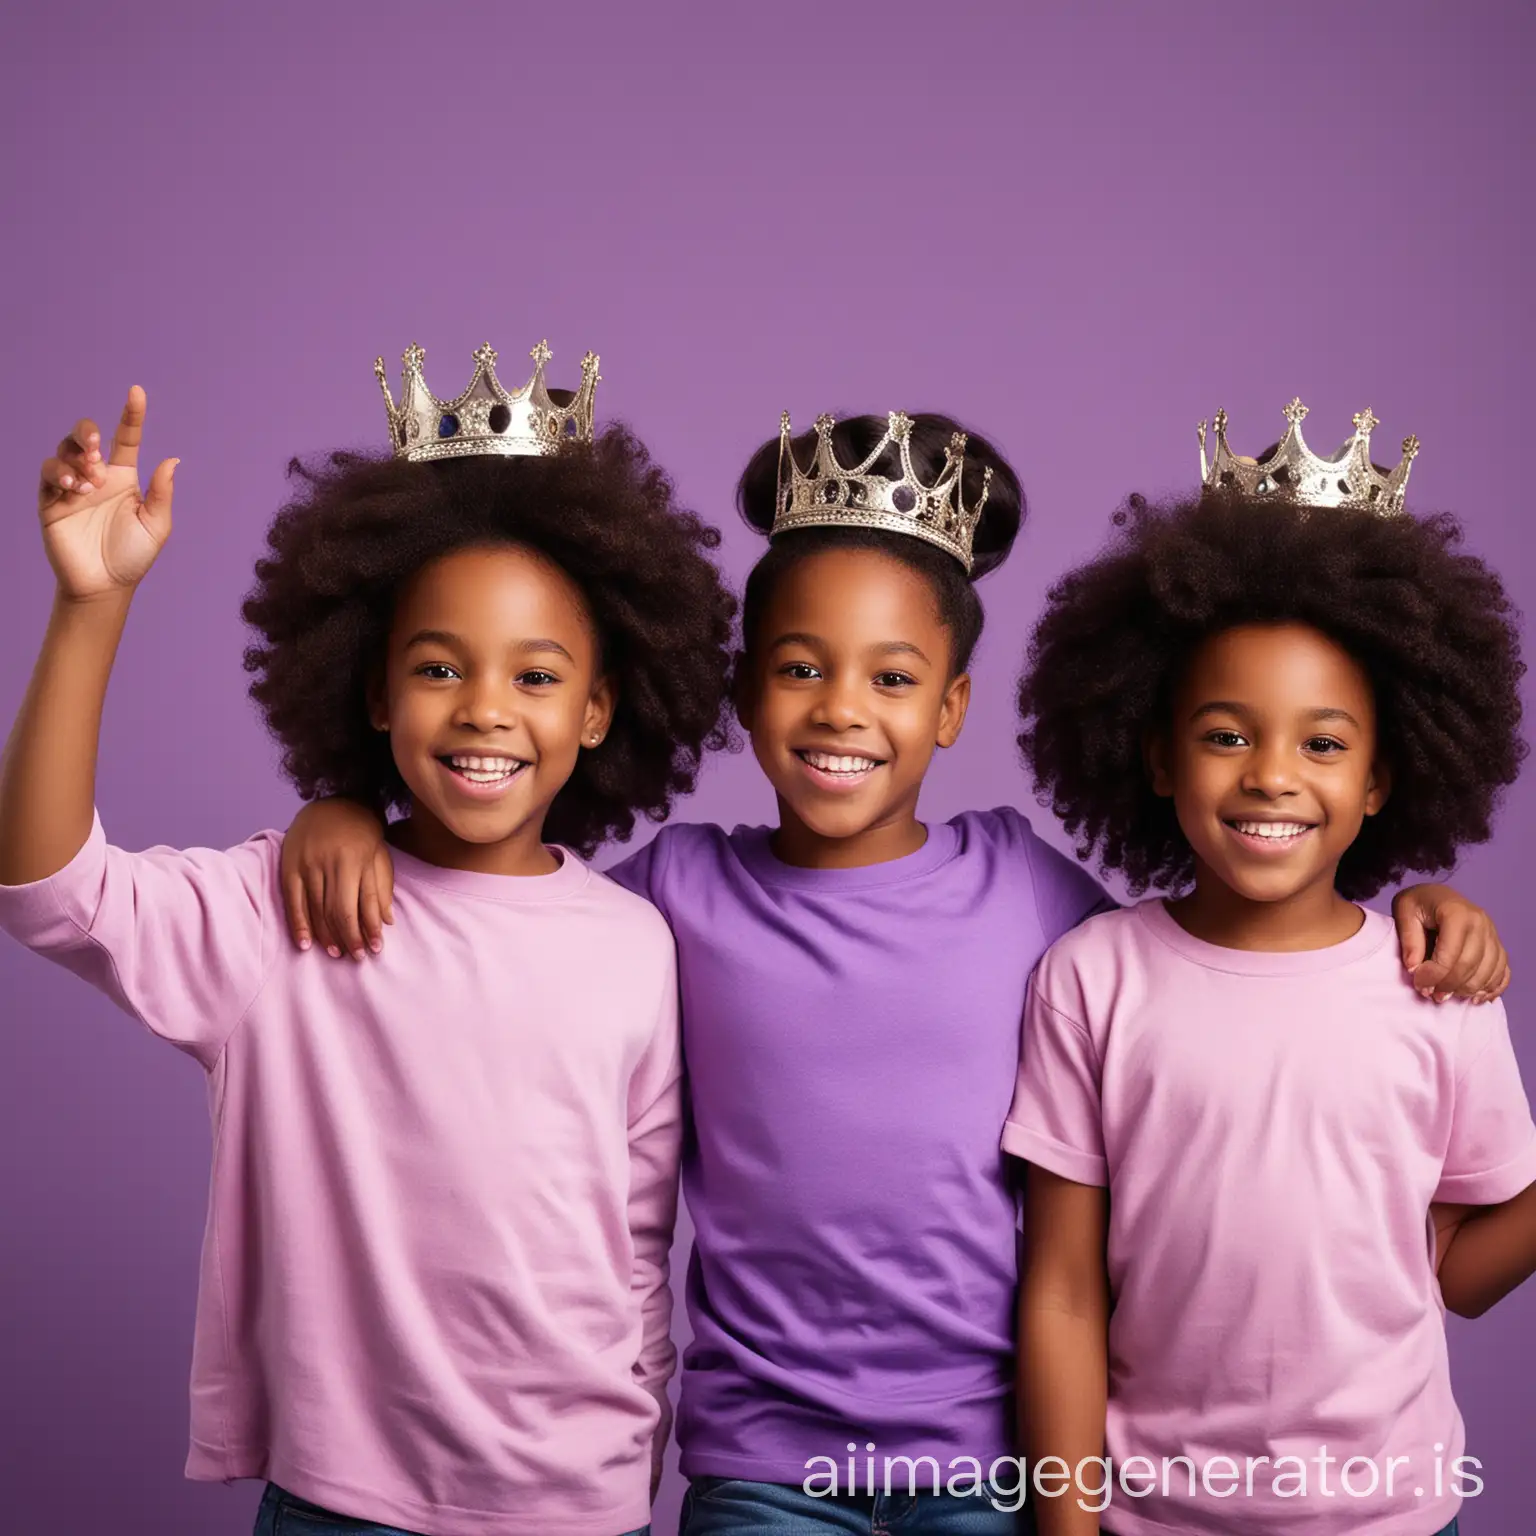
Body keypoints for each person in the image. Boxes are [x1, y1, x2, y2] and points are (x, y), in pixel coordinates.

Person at [278, 407, 1507, 1535]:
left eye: (894, 679)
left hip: (985, 1460)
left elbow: (1227, 951)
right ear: (744, 692)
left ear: (954, 706)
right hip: (765, 1468)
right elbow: (508, 909)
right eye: (801, 668)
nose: (841, 711)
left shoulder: (1031, 896)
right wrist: (351, 810)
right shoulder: (672, 895)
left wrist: (1411, 903)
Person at [0, 337, 737, 1536]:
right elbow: (46, 888)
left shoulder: (635, 945)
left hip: (579, 1504)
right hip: (346, 1505)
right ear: (377, 691)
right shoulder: (277, 915)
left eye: (538, 677)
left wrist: (635, 1446)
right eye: (439, 667)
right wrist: (92, 607)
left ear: (603, 708)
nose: (487, 707)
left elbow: (639, 1240)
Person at [1009, 402, 1535, 1536]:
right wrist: (1064, 1525)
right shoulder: (1094, 977)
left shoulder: (1436, 986)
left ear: (1385, 778)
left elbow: (1461, 1275)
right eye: (1226, 734)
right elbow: (1061, 1290)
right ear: (1155, 752)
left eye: (1324, 744)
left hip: (1393, 1514)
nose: (1272, 778)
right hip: (1158, 1518)